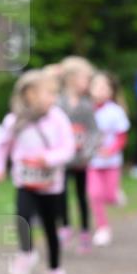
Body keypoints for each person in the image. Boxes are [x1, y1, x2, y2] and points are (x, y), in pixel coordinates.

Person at [0, 70, 76, 274]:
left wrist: (48, 159)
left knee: (50, 229)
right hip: (25, 182)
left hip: (52, 185)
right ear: (29, 94)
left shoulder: (58, 118)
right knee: (22, 218)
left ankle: (55, 272)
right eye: (48, 93)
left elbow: (68, 148)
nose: (53, 98)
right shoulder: (14, 120)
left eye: (55, 93)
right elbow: (2, 145)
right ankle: (25, 252)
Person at [56, 56, 99, 254]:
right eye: (85, 79)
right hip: (62, 161)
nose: (88, 84)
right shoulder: (57, 102)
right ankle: (65, 227)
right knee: (61, 194)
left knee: (82, 196)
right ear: (72, 78)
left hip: (81, 160)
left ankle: (84, 233)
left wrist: (88, 154)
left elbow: (93, 132)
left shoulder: (87, 104)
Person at [86, 72, 130, 247]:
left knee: (109, 196)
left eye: (105, 87)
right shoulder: (85, 109)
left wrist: (111, 150)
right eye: (97, 86)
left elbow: (121, 136)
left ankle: (115, 196)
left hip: (111, 162)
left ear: (111, 91)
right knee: (94, 194)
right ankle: (102, 227)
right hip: (92, 161)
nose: (101, 91)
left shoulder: (116, 111)